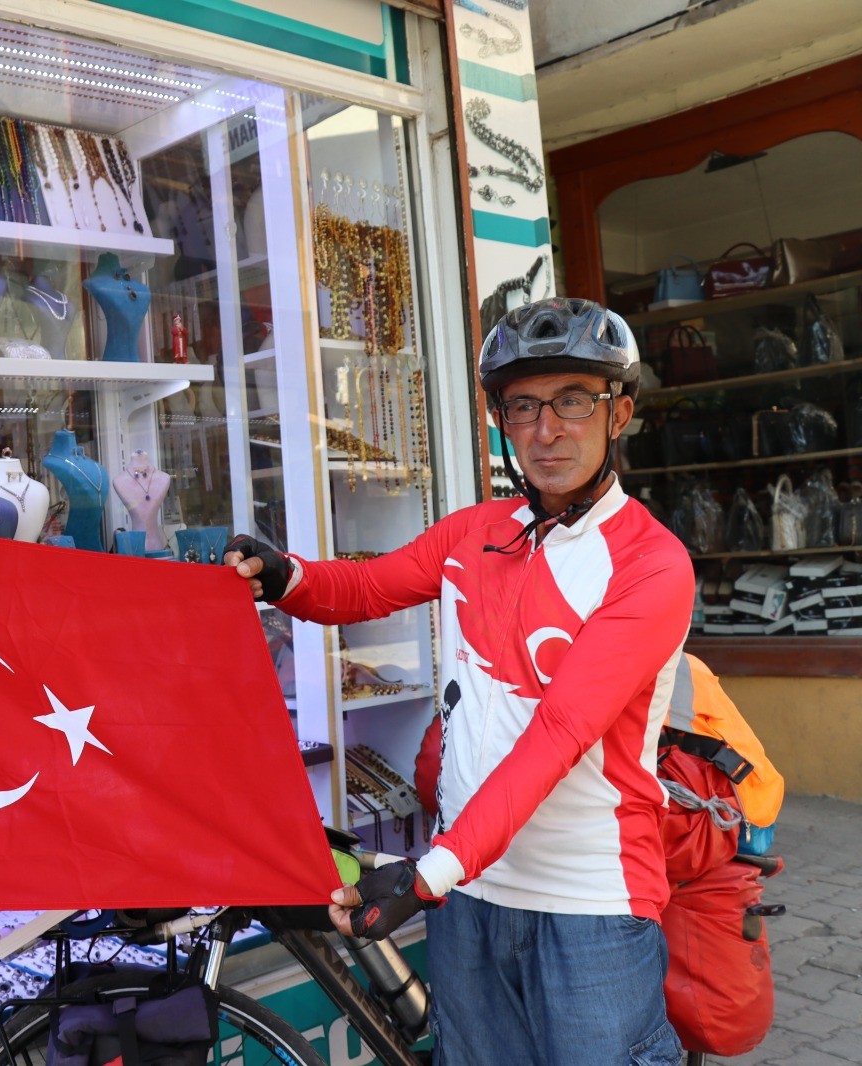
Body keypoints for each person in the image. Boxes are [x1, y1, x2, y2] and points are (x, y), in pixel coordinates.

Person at [227, 297, 693, 1066]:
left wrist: (427, 872)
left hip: (590, 904)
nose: (547, 430)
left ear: (620, 413)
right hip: (471, 901)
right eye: (522, 406)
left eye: (574, 399)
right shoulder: (476, 534)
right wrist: (285, 576)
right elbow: (365, 589)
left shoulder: (651, 565)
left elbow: (560, 736)